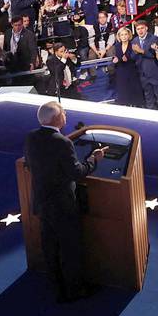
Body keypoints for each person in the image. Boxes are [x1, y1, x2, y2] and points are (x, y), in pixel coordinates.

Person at [24, 100, 103, 302]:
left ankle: (56, 288)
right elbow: (76, 172)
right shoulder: (63, 143)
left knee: (50, 247)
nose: (66, 115)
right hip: (62, 205)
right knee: (70, 248)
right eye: (64, 113)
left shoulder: (31, 138)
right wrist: (94, 159)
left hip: (42, 203)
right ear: (57, 118)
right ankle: (75, 290)